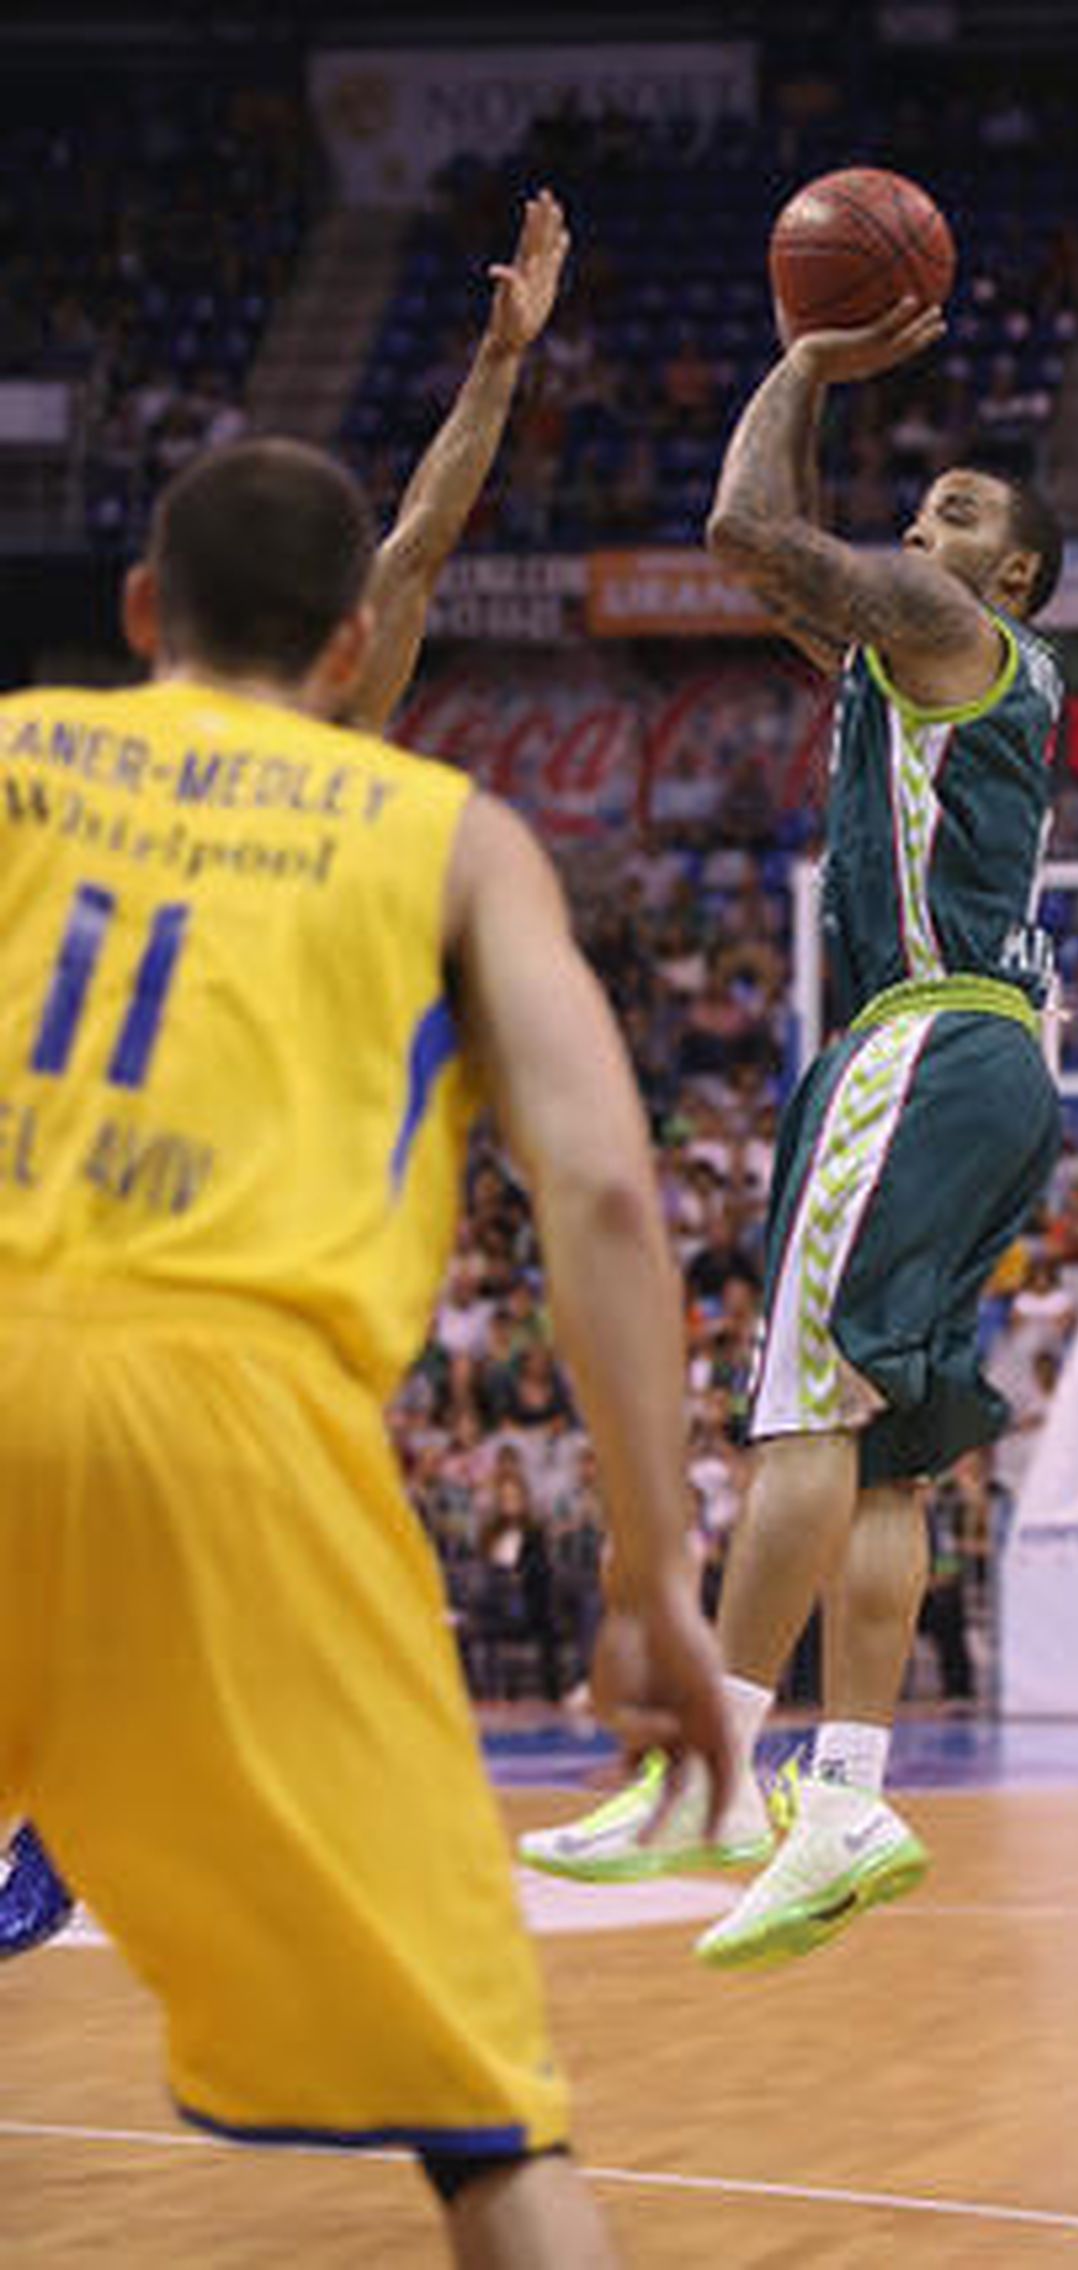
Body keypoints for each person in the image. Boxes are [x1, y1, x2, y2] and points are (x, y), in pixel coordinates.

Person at [0, 435, 734, 2265]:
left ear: (141, 613)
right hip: (235, 1421)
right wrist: (654, 1577)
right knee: (493, 2129)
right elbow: (607, 1195)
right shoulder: (453, 836)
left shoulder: (10, 749)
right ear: (351, 653)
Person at [0, 194, 581, 1963]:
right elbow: (411, 546)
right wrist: (496, 363)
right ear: (332, 650)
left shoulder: (51, 764)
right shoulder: (336, 794)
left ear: (144, 607)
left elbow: (410, 546)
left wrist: (493, 371)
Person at [522, 293, 1068, 1967]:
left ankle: (710, 1770)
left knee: (807, 1415)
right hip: (1000, 1074)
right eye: (918, 513)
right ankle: (848, 1798)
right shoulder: (922, 665)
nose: (923, 528)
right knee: (890, 1446)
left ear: (1016, 576)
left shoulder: (943, 626)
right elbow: (783, 574)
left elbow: (744, 529)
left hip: (915, 1047)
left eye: (959, 515)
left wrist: (812, 358)